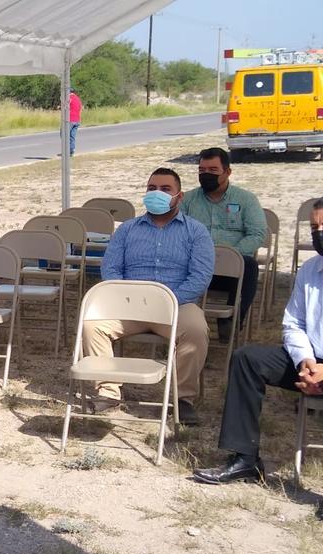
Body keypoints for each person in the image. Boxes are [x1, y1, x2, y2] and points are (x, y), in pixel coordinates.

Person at [194, 199, 323, 484]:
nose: (319, 232)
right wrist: (306, 362)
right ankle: (245, 459)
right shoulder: (311, 269)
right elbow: (293, 323)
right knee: (247, 359)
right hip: (312, 362)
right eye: (315, 227)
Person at [83, 167, 214, 425]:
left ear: (179, 196)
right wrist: (123, 296)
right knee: (91, 324)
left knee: (196, 330)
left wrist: (166, 302)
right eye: (152, 188)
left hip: (177, 305)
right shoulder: (127, 229)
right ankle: (108, 393)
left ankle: (182, 399)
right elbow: (110, 268)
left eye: (165, 189)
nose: (157, 193)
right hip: (129, 305)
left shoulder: (196, 232)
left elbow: (200, 277)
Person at [180, 147, 267, 340]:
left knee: (250, 266)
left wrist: (231, 257)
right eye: (202, 171)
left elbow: (257, 233)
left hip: (230, 269)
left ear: (227, 172)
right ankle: (176, 322)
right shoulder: (188, 200)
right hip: (196, 266)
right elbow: (176, 231)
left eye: (213, 170)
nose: (206, 175)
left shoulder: (246, 199)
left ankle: (231, 322)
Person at [69, 87, 82, 156]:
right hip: (77, 120)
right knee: (72, 136)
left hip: (70, 119)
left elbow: (64, 106)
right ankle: (72, 150)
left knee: (64, 135)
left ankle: (66, 150)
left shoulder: (68, 98)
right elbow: (80, 108)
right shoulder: (78, 98)